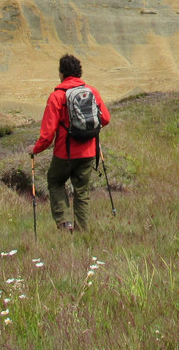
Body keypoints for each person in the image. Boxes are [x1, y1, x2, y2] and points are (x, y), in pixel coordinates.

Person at [29, 53, 111, 233]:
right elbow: (105, 118)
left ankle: (65, 223)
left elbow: (47, 135)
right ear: (79, 72)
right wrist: (89, 131)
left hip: (64, 153)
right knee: (82, 192)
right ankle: (82, 231)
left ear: (61, 73)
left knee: (55, 182)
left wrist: (34, 150)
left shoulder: (57, 96)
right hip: (88, 152)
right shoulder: (91, 92)